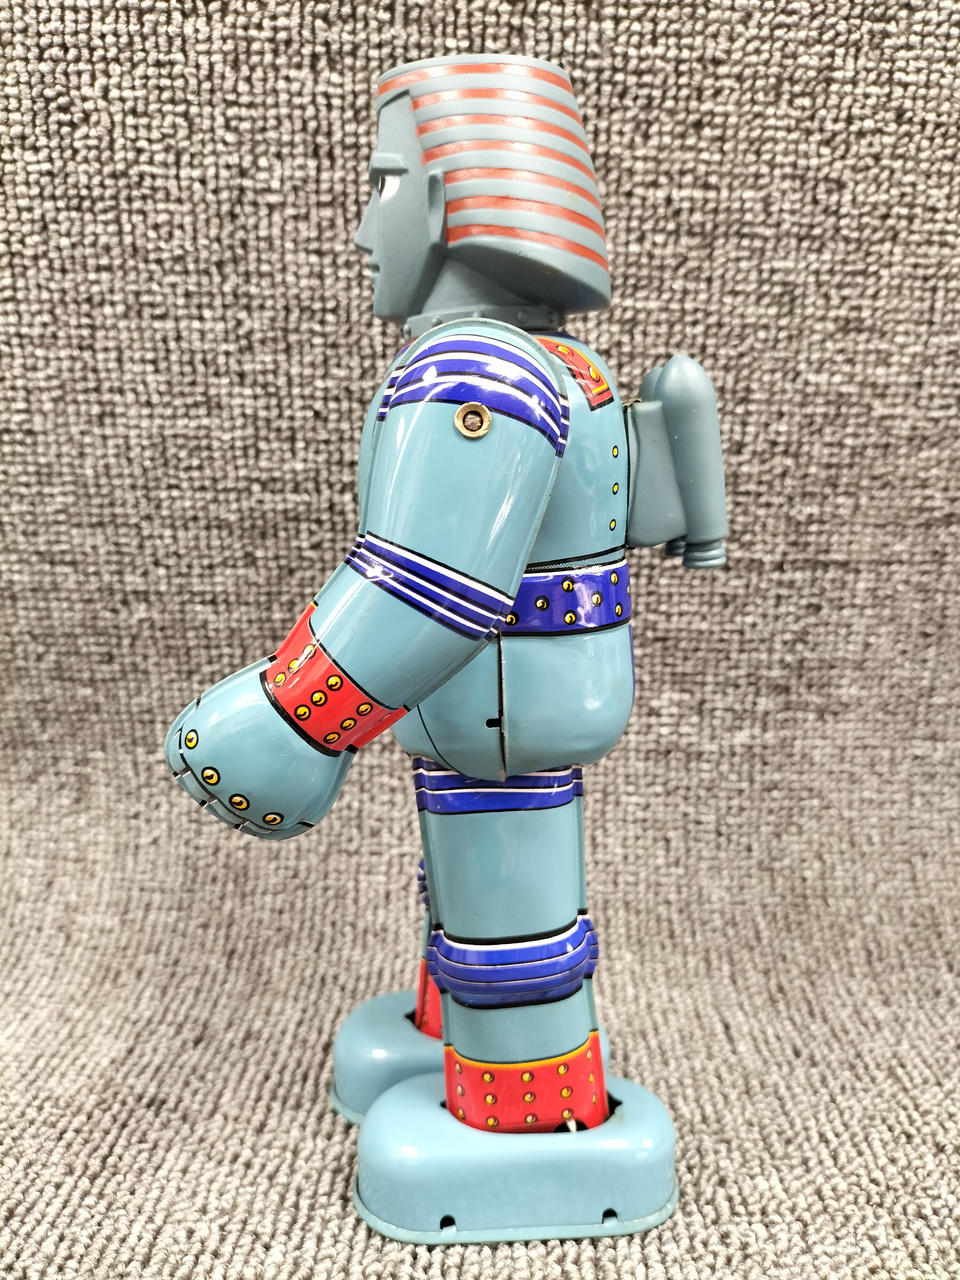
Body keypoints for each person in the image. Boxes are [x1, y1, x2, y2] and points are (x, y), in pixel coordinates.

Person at [166, 53, 726, 1243]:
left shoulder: (475, 371)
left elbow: (429, 583)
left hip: (500, 699)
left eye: (384, 184)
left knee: (505, 906)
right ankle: (447, 1032)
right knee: (469, 884)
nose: (364, 226)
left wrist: (293, 715)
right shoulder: (559, 362)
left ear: (456, 198)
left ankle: (528, 1108)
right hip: (515, 693)